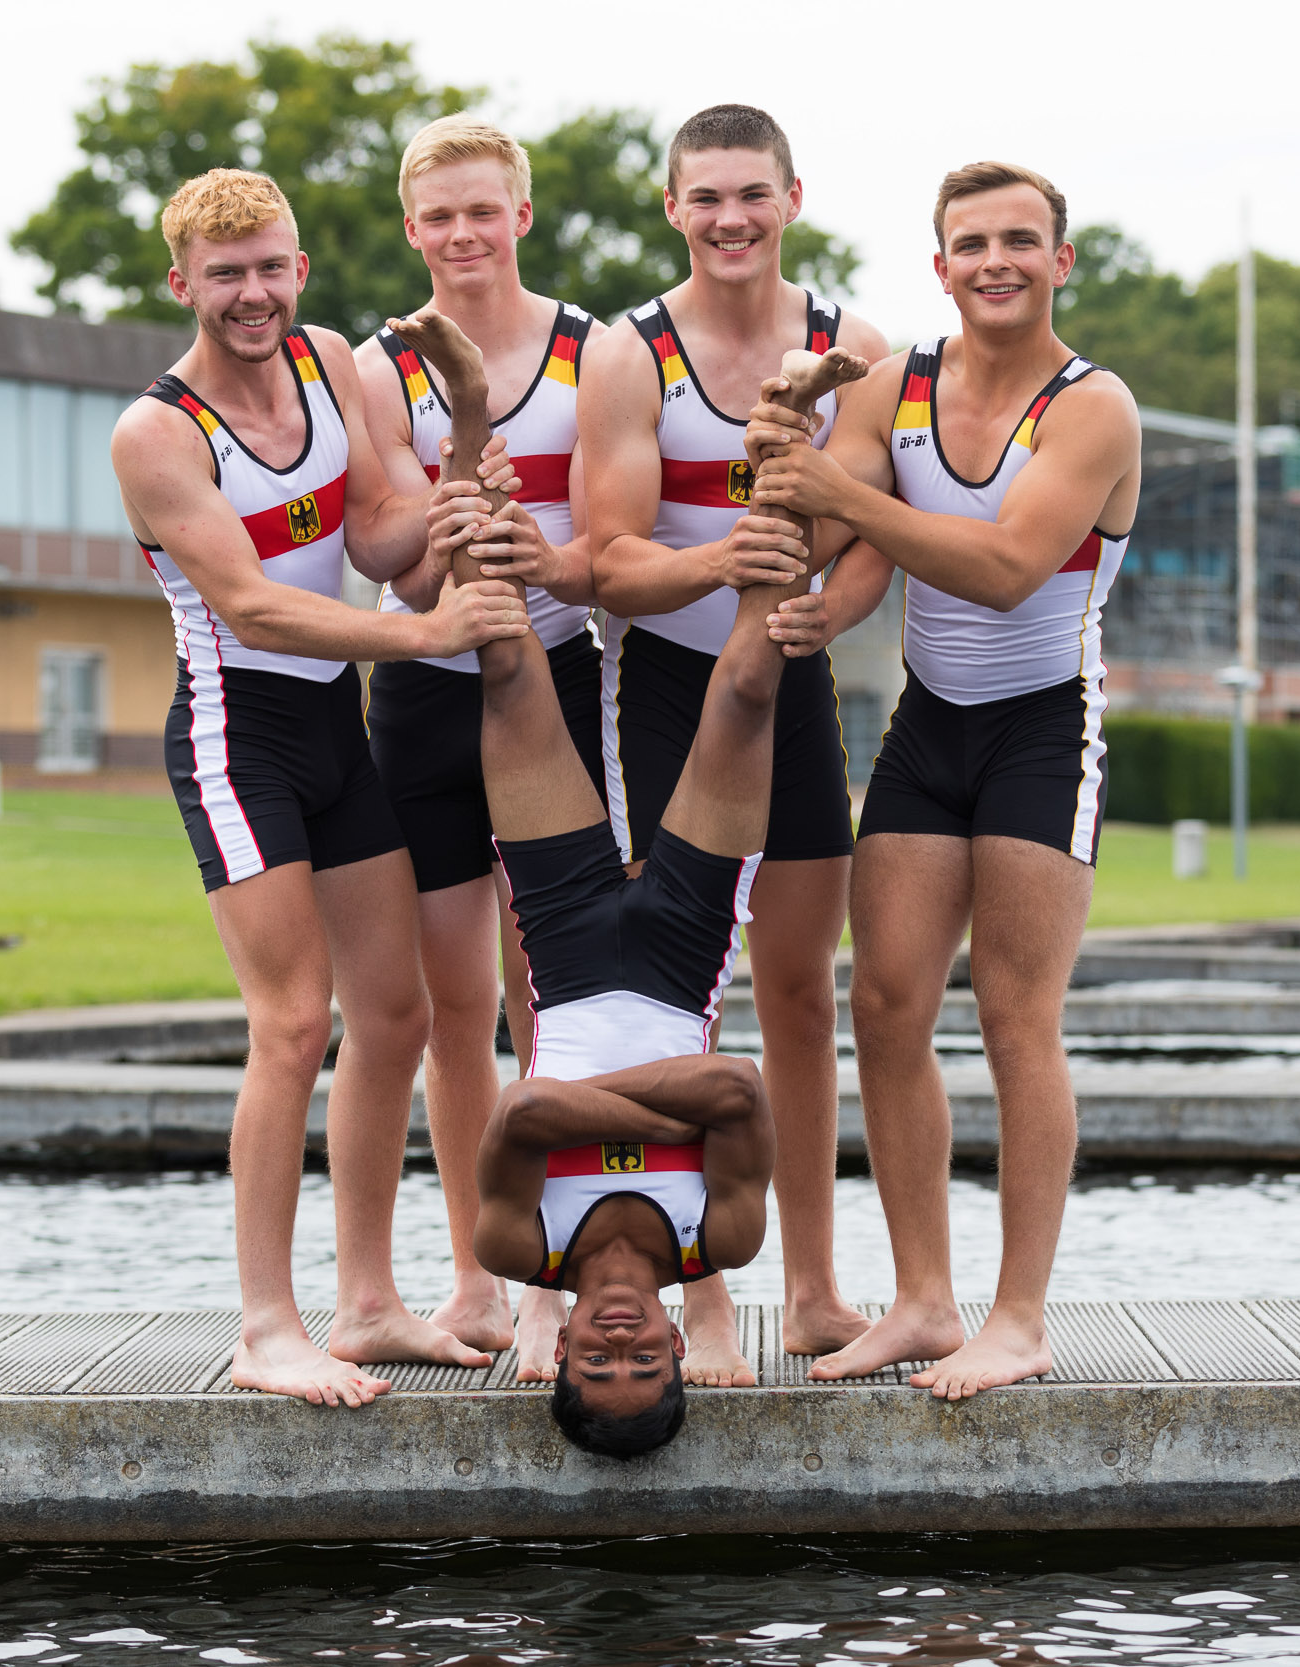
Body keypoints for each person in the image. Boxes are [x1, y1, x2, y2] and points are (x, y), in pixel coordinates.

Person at [110, 167, 532, 1407]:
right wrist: (429, 637)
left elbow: (381, 541)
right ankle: (263, 1324)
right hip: (237, 739)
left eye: (273, 267)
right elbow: (250, 603)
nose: (254, 294)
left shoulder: (331, 361)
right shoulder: (159, 431)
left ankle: (366, 1301)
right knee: (292, 1024)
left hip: (333, 733)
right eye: (225, 274)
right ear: (181, 283)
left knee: (393, 1017)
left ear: (301, 268)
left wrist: (460, 435)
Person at [741, 161, 1139, 1400]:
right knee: (887, 1005)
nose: (996, 261)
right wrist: (783, 482)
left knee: (1017, 1017)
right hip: (930, 724)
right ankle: (923, 1299)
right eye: (971, 243)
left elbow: (1009, 567)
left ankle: (1016, 1317)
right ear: (940, 264)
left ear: (1061, 261)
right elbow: (842, 540)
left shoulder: (1093, 407)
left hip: (1039, 728)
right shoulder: (895, 384)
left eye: (1021, 240)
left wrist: (836, 489)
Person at [458, 318, 870, 1454]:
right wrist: (673, 1098)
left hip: (569, 941)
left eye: (602, 1357)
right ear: (682, 1347)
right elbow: (741, 1088)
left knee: (508, 664)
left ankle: (462, 423)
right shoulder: (719, 1237)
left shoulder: (517, 1246)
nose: (623, 1337)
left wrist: (652, 1103)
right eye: (642, 1357)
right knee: (750, 677)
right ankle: (783, 418)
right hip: (688, 943)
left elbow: (528, 1107)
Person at [575, 102, 889, 1379]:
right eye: (705, 198)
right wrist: (728, 555)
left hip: (794, 689)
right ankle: (697, 1298)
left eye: (750, 194)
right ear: (672, 208)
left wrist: (826, 607)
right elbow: (608, 560)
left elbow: (874, 535)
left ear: (792, 197)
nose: (729, 219)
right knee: (672, 1009)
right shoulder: (626, 353)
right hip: (670, 694)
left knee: (802, 995)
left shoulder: (855, 349)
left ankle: (812, 1288)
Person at [351, 115, 606, 1361]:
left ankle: (554, 1272)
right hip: (424, 692)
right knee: (456, 1009)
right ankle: (474, 1276)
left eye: (481, 210)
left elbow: (609, 548)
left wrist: (531, 536)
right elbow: (402, 585)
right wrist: (458, 457)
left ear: (519, 215)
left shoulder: (592, 350)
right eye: (437, 215)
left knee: (547, 999)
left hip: (551, 683)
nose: (461, 233)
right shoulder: (373, 363)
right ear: (413, 230)